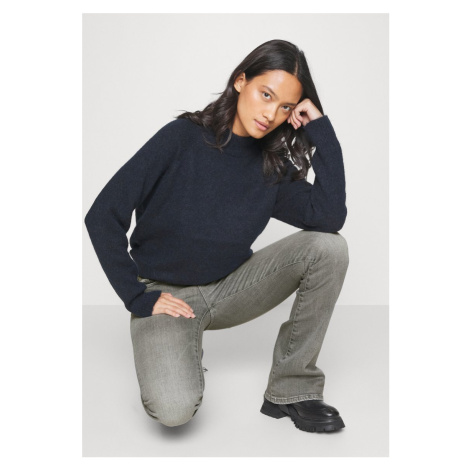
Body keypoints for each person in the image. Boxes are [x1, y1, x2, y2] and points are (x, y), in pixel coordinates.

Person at [84, 39, 349, 434]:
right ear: (241, 81)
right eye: (266, 94)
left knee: (329, 248)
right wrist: (137, 296)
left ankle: (291, 390)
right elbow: (102, 214)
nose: (271, 113)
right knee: (173, 410)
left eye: (286, 107)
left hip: (230, 289)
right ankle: (179, 349)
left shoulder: (272, 165)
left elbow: (327, 218)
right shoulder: (181, 138)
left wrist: (322, 132)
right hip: (165, 294)